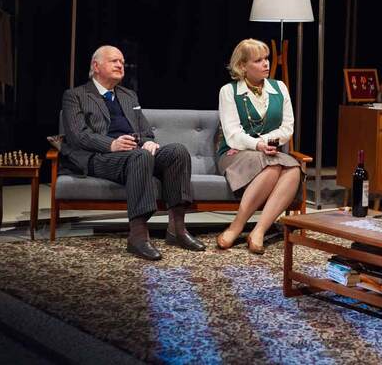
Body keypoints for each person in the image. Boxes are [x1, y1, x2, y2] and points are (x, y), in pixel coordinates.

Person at [60, 45, 206, 260]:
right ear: (96, 66)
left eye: (122, 61)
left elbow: (145, 131)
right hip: (99, 157)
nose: (121, 65)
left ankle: (177, 229)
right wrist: (111, 144)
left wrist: (149, 142)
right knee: (140, 156)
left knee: (177, 151)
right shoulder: (76, 96)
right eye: (114, 61)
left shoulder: (129, 96)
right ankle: (137, 236)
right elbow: (77, 135)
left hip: (135, 155)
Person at [216, 38, 302, 254]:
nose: (265, 64)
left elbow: (287, 128)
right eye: (258, 60)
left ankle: (259, 230)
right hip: (236, 152)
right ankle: (237, 226)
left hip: (270, 152)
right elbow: (233, 133)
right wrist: (258, 145)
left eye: (266, 59)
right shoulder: (229, 91)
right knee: (274, 166)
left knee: (293, 170)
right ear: (242, 66)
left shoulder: (279, 88)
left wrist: (267, 143)